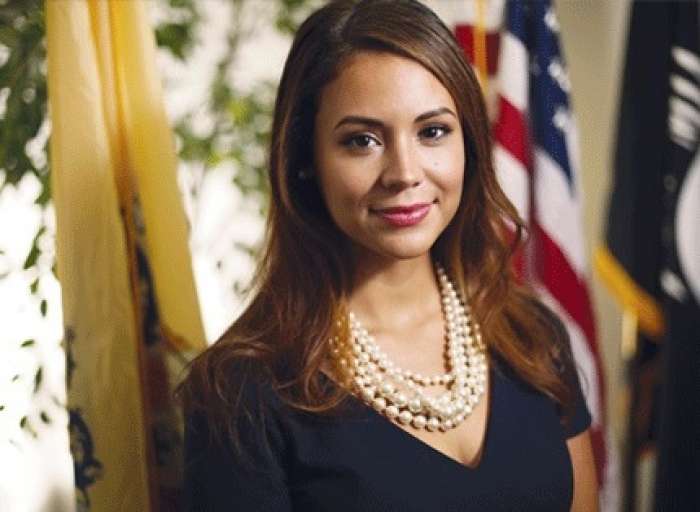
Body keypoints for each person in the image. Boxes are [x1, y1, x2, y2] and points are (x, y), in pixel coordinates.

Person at [178, 0, 599, 510]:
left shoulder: (534, 336)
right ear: (305, 160)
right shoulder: (239, 391)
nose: (404, 172)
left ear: (468, 142)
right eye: (362, 141)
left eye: (433, 131)